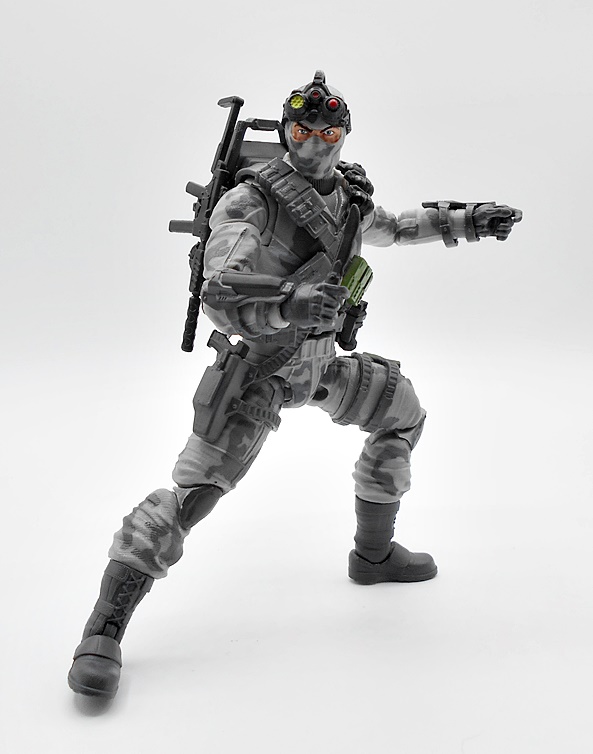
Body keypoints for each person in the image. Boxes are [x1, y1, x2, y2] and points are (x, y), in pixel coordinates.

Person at [68, 70, 521, 699]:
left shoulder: (347, 201)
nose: (314, 143)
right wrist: (287, 304)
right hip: (262, 370)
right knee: (195, 493)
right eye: (302, 131)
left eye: (327, 133)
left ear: (343, 135)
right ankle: (104, 630)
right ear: (286, 132)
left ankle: (373, 555)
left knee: (402, 412)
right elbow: (219, 293)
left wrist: (472, 219)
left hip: (322, 364)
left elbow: (396, 226)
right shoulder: (250, 203)